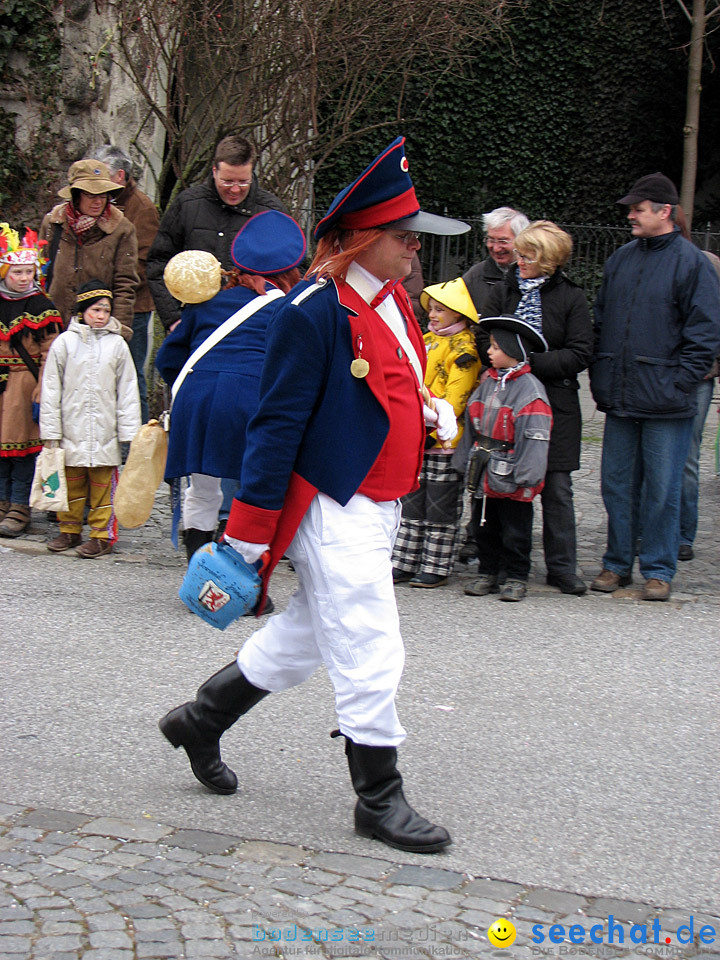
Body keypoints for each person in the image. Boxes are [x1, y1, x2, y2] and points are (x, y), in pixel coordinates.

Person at [158, 136, 469, 854]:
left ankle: (200, 720)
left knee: (302, 641)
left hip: (378, 496)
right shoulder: (314, 310)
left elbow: (393, 381)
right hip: (333, 503)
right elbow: (274, 427)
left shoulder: (393, 299)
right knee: (369, 642)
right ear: (359, 240)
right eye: (402, 239)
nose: (414, 253)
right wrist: (249, 531)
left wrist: (427, 408)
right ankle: (378, 799)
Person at [589, 173, 720, 601]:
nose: (630, 214)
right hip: (624, 395)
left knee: (662, 489)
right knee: (616, 484)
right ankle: (616, 564)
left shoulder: (692, 263)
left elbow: (704, 333)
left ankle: (659, 569)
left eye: (637, 209)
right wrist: (603, 375)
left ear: (664, 212)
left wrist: (681, 382)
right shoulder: (621, 259)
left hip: (667, 398)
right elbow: (603, 320)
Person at [155, 210, 306, 570]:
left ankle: (199, 578)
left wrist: (194, 387)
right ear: (289, 271)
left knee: (203, 490)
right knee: (250, 491)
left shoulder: (207, 301)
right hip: (250, 401)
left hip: (196, 400)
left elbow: (167, 358)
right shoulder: (288, 309)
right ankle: (237, 581)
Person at [481, 221, 593, 595]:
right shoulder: (504, 288)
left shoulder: (571, 297)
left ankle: (562, 567)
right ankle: (499, 567)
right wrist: (504, 361)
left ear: (548, 260)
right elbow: (485, 332)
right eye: (520, 253)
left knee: (558, 487)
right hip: (506, 399)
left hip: (554, 402)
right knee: (499, 483)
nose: (519, 260)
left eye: (528, 255)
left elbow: (580, 352)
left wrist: (529, 364)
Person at [147, 135, 288, 333]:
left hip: (252, 327)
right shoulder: (188, 204)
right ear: (214, 171)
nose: (236, 190)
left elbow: (292, 270)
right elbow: (158, 264)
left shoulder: (272, 212)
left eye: (244, 182)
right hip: (194, 323)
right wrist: (173, 320)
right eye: (228, 181)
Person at [40, 281, 141, 557]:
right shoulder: (65, 343)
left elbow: (128, 390)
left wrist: (129, 434)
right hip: (71, 429)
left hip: (104, 431)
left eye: (106, 310)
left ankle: (101, 535)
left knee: (102, 487)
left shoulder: (117, 345)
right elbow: (51, 389)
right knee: (71, 485)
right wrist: (51, 431)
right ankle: (69, 530)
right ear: (83, 311)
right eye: (96, 310)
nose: (101, 316)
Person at [392, 277, 481, 587]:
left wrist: (432, 424)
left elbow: (456, 398)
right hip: (416, 433)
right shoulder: (426, 339)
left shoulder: (464, 347)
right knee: (412, 502)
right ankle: (404, 560)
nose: (432, 314)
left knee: (440, 506)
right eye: (431, 309)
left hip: (444, 438)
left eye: (441, 310)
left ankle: (436, 565)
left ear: (458, 314)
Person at [456, 316, 552, 602]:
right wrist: (464, 460)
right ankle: (488, 572)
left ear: (515, 351)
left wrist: (527, 476)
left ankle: (516, 576)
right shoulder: (488, 382)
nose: (489, 351)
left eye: (496, 347)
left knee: (515, 531)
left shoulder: (531, 391)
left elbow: (535, 436)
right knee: (483, 526)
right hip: (485, 470)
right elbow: (471, 424)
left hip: (513, 474)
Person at [90, 145, 160, 423]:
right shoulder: (98, 202)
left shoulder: (142, 208)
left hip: (133, 308)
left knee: (131, 376)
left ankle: (136, 444)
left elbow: (143, 263)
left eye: (100, 173)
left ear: (120, 175)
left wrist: (104, 288)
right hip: (95, 305)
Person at [0, 225, 63, 538]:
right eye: (17, 272)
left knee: (22, 449)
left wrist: (43, 385)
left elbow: (51, 351)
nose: (24, 278)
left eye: (29, 271)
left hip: (24, 386)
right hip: (1, 386)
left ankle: (19, 505)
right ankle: (1, 500)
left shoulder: (41, 307)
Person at [39, 159, 139, 342]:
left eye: (103, 195)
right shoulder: (53, 223)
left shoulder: (122, 228)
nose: (98, 201)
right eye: (91, 195)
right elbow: (41, 272)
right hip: (53, 323)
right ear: (76, 195)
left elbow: (125, 284)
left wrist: (118, 330)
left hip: (97, 328)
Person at [672, 207, 720, 562]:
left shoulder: (707, 264)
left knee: (687, 455)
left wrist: (708, 363)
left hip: (698, 376)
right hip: (657, 375)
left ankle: (684, 532)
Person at [462, 206, 530, 316]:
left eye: (503, 241)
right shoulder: (474, 277)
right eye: (491, 240)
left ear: (522, 240)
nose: (496, 248)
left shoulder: (537, 277)